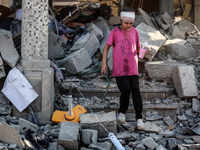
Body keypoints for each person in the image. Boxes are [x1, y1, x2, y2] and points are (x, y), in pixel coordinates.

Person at [101, 7, 145, 130]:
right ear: (121, 20)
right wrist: (104, 63)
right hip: (120, 69)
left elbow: (137, 49)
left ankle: (139, 118)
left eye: (131, 23)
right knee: (125, 90)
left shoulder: (135, 31)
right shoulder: (115, 32)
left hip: (132, 67)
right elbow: (106, 48)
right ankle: (122, 112)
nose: (129, 25)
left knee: (136, 91)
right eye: (126, 23)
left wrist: (142, 51)